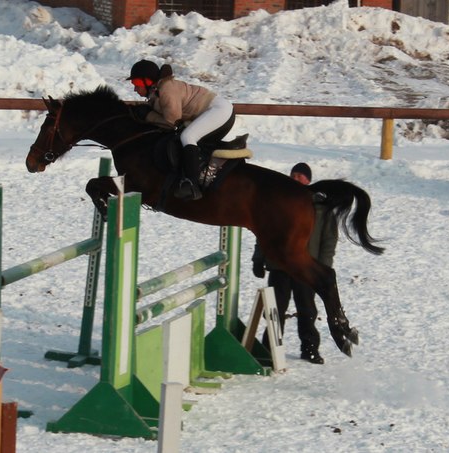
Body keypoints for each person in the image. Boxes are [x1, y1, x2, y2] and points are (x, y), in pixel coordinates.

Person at [251, 163, 338, 365]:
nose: (295, 178)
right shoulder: (277, 203)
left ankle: (310, 349)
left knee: (307, 310)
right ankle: (269, 349)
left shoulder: (321, 207)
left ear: (309, 180)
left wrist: (322, 267)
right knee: (275, 310)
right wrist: (258, 259)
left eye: (300, 176)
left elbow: (329, 240)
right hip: (279, 266)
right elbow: (264, 232)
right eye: (293, 175)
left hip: (306, 267)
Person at [127, 59, 235, 201]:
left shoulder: (166, 89)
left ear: (148, 81)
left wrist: (148, 115)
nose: (135, 89)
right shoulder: (157, 91)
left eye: (136, 83)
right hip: (215, 111)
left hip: (219, 111)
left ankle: (191, 183)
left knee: (187, 136)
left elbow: (172, 123)